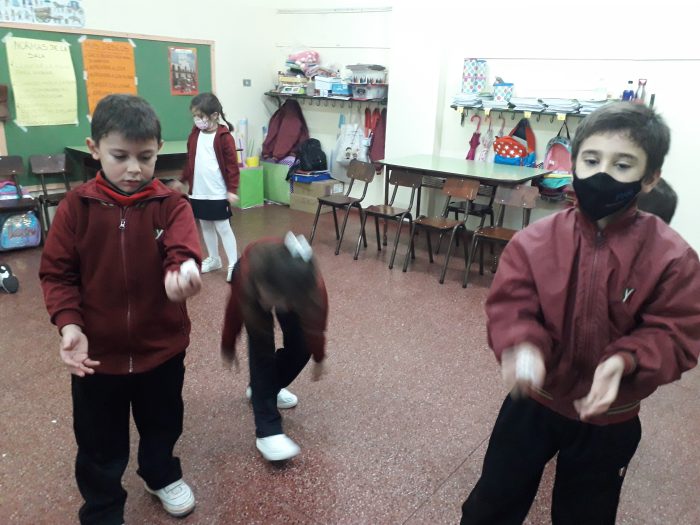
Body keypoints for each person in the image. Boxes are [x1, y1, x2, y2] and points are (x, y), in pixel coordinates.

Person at [461, 103, 700, 525]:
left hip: (610, 417)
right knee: (493, 502)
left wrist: (627, 360)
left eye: (622, 165)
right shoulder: (534, 241)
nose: (601, 175)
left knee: (586, 514)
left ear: (649, 178)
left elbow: (676, 333)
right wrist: (523, 345)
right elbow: (513, 304)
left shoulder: (673, 258)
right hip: (534, 402)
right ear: (573, 164)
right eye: (591, 160)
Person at [39, 94, 203, 525]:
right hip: (96, 357)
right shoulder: (75, 208)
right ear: (94, 149)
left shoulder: (172, 204)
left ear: (158, 149)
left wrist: (183, 272)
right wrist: (70, 325)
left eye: (145, 157)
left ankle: (160, 474)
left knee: (163, 423)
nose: (134, 168)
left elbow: (183, 249)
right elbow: (57, 274)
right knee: (98, 442)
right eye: (120, 156)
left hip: (161, 349)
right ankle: (103, 508)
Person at [221, 232, 328, 462]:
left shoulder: (311, 286)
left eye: (280, 302)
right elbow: (234, 311)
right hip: (257, 280)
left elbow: (315, 326)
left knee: (301, 346)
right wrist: (228, 345)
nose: (273, 306)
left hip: (290, 286)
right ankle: (268, 430)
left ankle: (263, 389)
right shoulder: (247, 275)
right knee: (262, 351)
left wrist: (318, 356)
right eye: (272, 299)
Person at [177, 92, 240, 281]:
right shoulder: (194, 135)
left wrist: (232, 189)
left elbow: (232, 166)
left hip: (217, 192)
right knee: (205, 225)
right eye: (195, 116)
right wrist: (183, 180)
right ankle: (214, 259)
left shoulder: (224, 137)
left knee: (223, 227)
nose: (197, 120)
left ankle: (234, 263)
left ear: (214, 115)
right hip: (199, 191)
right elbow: (190, 161)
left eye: (200, 116)